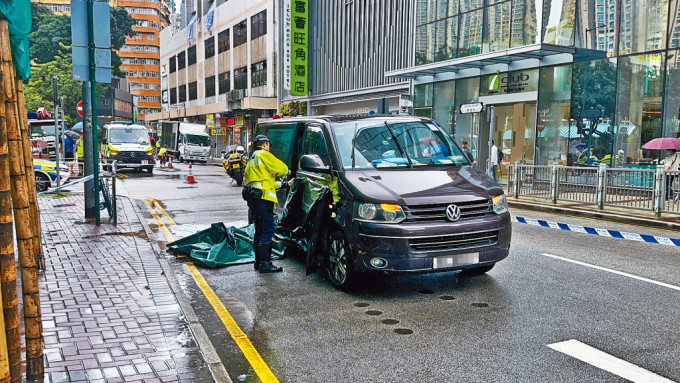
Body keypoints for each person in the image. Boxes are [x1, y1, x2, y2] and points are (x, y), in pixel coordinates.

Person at [244, 135, 288, 273]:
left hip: (254, 199)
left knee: (259, 230)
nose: (269, 147)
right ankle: (265, 263)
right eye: (268, 144)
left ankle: (258, 262)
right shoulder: (264, 154)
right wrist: (288, 172)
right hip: (263, 200)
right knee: (268, 229)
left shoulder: (252, 158)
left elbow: (263, 181)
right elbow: (282, 169)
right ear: (264, 144)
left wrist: (284, 184)